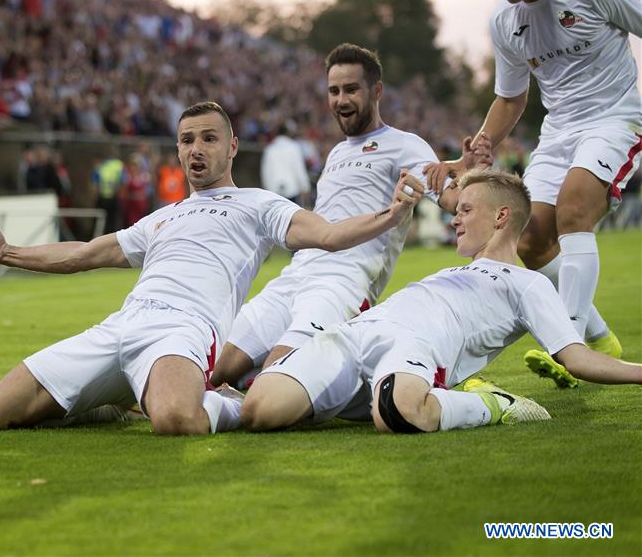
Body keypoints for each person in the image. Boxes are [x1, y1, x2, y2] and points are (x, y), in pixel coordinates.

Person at [0, 101, 423, 435]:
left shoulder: (259, 204)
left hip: (183, 330)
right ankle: (106, 403)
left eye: (208, 138)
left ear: (231, 147)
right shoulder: (162, 216)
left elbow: (327, 235)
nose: (196, 149)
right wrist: (7, 252)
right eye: (187, 140)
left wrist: (393, 214)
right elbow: (85, 253)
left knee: (174, 420)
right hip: (123, 323)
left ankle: (229, 402)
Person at [241, 169, 642, 436]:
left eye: (466, 210)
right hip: (356, 335)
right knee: (259, 410)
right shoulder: (449, 272)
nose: (455, 219)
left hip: (417, 347)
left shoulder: (529, 284)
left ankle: (494, 404)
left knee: (399, 413)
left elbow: (577, 357)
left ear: (501, 217)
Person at [426, 0, 641, 389]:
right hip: (559, 132)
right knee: (529, 240)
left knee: (574, 210)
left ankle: (572, 343)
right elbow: (511, 97)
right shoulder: (505, 23)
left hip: (614, 120)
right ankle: (602, 340)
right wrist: (472, 153)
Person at [210, 44, 490, 389]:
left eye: (351, 89)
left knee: (273, 380)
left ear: (377, 91)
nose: (341, 100)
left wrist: (470, 176)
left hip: (341, 283)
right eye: (334, 91)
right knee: (214, 371)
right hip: (295, 275)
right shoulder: (337, 153)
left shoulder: (405, 144)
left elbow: (449, 197)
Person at [260, 120, 311, 207]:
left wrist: (267, 191)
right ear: (288, 133)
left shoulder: (269, 149)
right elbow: (298, 169)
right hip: (292, 192)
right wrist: (305, 187)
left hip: (274, 192)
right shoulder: (294, 147)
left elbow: (266, 173)